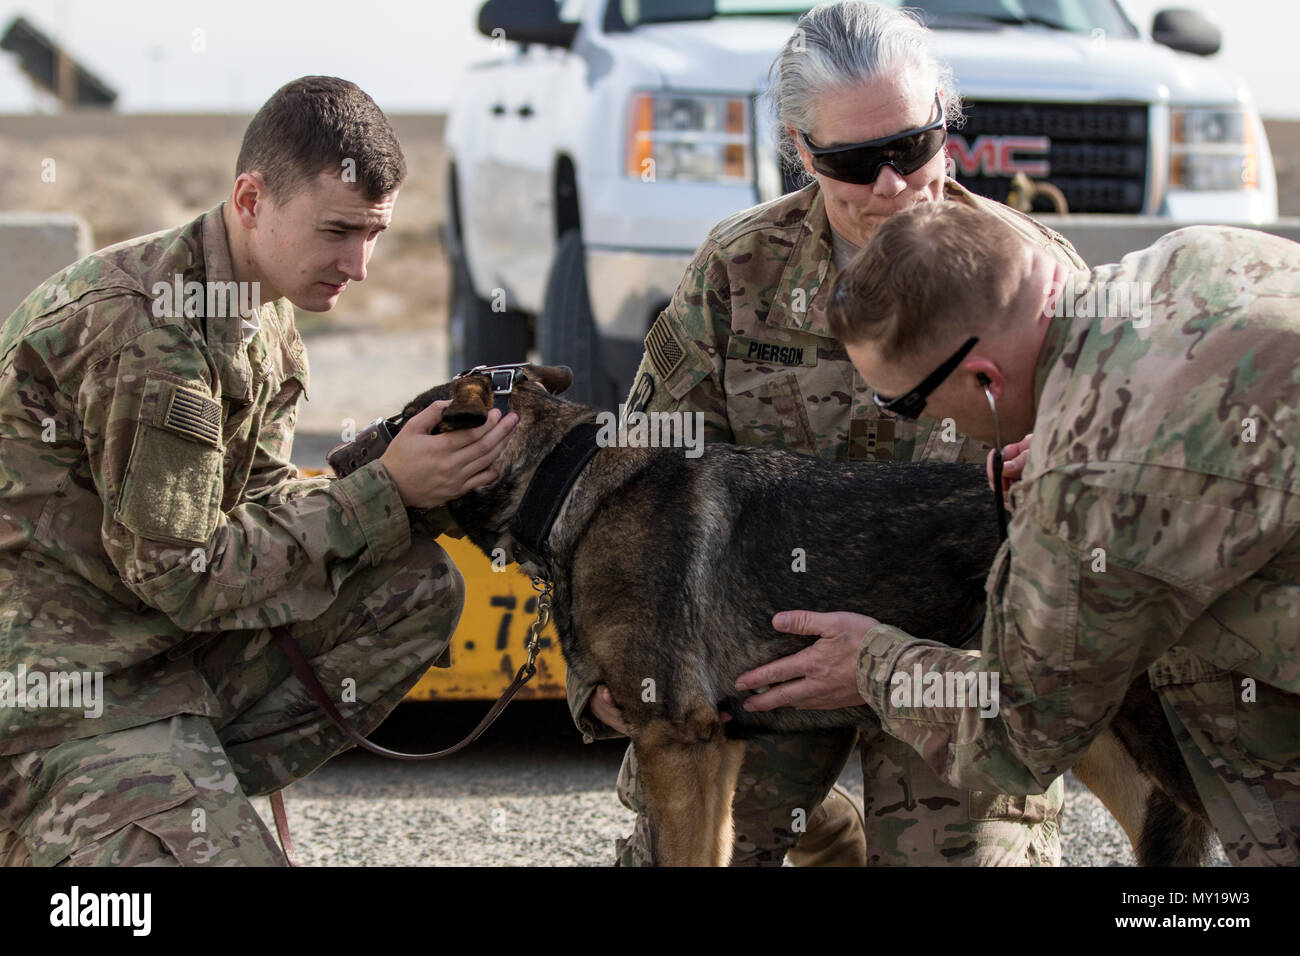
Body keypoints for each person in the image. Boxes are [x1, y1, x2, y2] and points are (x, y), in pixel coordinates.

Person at [568, 0, 1085, 867]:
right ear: (800, 150)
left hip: (957, 653)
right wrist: (601, 673)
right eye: (852, 161)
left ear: (946, 129)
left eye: (911, 148)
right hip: (765, 651)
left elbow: (1089, 518)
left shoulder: (1036, 277)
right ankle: (829, 831)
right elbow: (634, 491)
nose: (891, 186)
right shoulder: (736, 271)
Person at [0, 76, 516, 866]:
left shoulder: (260, 309)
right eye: (339, 231)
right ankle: (78, 808)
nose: (361, 264)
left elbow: (262, 504)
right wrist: (382, 494)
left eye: (375, 233)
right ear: (250, 199)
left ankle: (168, 789)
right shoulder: (148, 333)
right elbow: (182, 572)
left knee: (416, 587)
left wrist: (420, 486)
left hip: (162, 655)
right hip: (69, 694)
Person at [740, 198, 1300, 865]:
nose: (899, 419)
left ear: (983, 380)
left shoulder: (1088, 492)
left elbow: (1019, 736)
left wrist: (872, 665)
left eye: (902, 404)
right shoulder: (1190, 257)